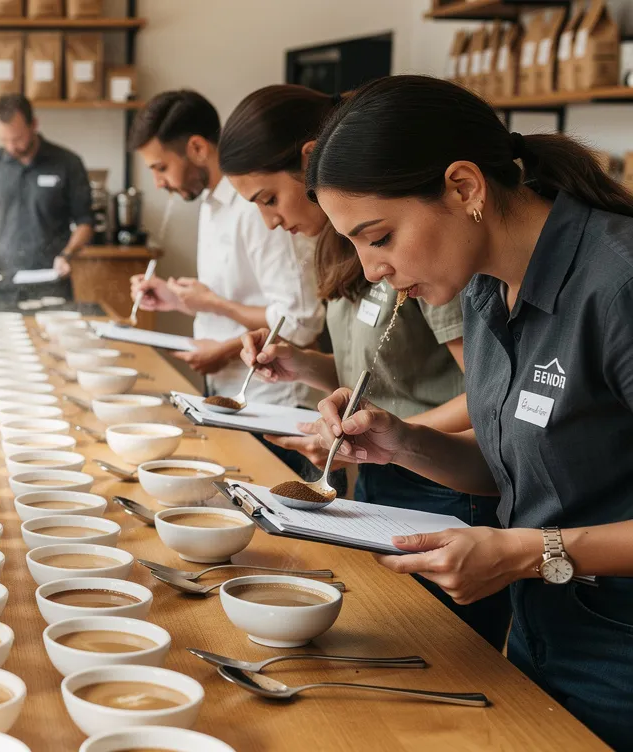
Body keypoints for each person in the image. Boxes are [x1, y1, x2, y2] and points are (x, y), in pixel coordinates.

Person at [305, 75, 633, 749]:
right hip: (544, 637)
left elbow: (540, 530)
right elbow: (519, 470)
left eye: (381, 237)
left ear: (464, 187)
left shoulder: (618, 285)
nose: (370, 270)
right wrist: (401, 442)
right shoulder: (485, 291)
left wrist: (528, 552)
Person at [220, 84, 510, 649]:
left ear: (309, 162)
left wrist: (388, 437)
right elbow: (377, 375)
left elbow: (488, 397)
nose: (270, 221)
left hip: (444, 488)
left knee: (437, 650)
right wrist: (304, 366)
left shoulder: (435, 256)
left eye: (269, 198)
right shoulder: (350, 252)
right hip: (389, 477)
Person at [126, 90, 329, 487]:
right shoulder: (212, 203)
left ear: (197, 147)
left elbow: (300, 319)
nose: (158, 182)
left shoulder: (260, 209)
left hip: (270, 404)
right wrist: (179, 299)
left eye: (161, 167)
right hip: (229, 395)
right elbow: (236, 297)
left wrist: (223, 344)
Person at [0, 94, 93, 302]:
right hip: (2, 286)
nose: (11, 146)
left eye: (16, 138)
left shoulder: (67, 163)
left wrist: (67, 254)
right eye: (3, 139)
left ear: (33, 124)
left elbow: (85, 222)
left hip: (51, 284)